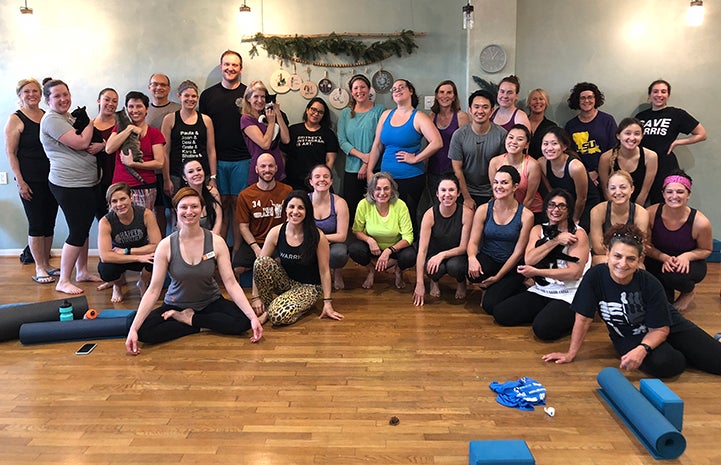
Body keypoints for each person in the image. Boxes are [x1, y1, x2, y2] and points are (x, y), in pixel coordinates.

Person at [543, 223, 721, 378]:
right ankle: (683, 353)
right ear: (608, 253)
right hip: (628, 335)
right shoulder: (594, 277)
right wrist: (570, 353)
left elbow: (660, 328)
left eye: (631, 259)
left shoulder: (649, 283)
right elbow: (583, 319)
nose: (622, 264)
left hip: (666, 325)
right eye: (617, 256)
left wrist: (643, 349)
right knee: (667, 364)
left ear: (639, 260)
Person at [125, 187, 263, 355]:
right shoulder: (166, 245)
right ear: (176, 210)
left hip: (210, 302)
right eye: (184, 207)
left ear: (202, 209)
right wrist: (133, 329)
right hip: (175, 303)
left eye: (194, 206)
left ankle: (189, 320)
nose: (189, 212)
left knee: (243, 322)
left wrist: (252, 318)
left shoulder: (216, 242)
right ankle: (195, 324)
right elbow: (153, 290)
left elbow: (231, 283)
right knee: (141, 330)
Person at [492, 189, 590, 340]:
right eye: (551, 205)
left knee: (542, 330)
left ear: (569, 210)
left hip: (568, 294)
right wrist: (555, 240)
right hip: (542, 290)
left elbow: (574, 273)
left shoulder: (578, 234)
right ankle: (549, 313)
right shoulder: (538, 229)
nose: (556, 210)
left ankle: (574, 316)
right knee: (501, 314)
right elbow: (530, 260)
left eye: (562, 206)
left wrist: (537, 273)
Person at [39, 79, 105, 294]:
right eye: (57, 96)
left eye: (65, 94)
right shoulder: (51, 120)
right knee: (77, 230)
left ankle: (82, 271)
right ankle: (64, 280)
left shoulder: (65, 117)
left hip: (85, 182)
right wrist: (90, 123)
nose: (63, 99)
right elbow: (82, 143)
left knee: (83, 229)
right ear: (48, 100)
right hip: (69, 184)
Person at [250, 191, 344, 325]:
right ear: (285, 209)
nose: (295, 211)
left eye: (301, 207)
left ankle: (270, 312)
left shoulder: (318, 236)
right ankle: (270, 306)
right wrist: (255, 297)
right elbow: (258, 267)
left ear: (307, 211)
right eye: (291, 207)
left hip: (309, 287)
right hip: (287, 282)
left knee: (277, 317)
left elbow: (324, 271)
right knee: (261, 262)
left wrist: (327, 302)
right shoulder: (276, 232)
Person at [366, 79, 442, 234]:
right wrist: (369, 171)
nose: (397, 90)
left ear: (410, 91)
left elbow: (437, 142)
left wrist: (415, 158)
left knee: (408, 217)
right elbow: (377, 145)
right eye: (394, 89)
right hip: (386, 178)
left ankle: (408, 253)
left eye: (401, 87)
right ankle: (389, 251)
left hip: (411, 178)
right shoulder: (386, 115)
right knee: (387, 217)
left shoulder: (419, 116)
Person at [4, 78, 58, 284]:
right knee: (36, 223)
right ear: (20, 95)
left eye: (35, 91)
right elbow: (10, 152)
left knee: (49, 223)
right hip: (30, 180)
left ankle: (47, 263)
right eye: (27, 91)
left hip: (52, 178)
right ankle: (39, 267)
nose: (32, 95)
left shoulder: (47, 116)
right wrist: (20, 181)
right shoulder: (15, 119)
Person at [199, 51, 251, 259]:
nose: (230, 68)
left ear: (241, 68)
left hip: (243, 159)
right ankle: (218, 254)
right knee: (220, 208)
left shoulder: (249, 94)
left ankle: (236, 253)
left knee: (238, 208)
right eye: (227, 64)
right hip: (216, 161)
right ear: (221, 66)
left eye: (235, 65)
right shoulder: (208, 95)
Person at [467, 166, 534, 315]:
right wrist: (472, 257)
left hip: (511, 265)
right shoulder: (484, 209)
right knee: (471, 271)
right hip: (489, 259)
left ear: (515, 186)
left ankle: (520, 285)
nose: (498, 186)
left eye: (504, 183)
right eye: (496, 182)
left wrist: (498, 278)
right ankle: (493, 286)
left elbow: (518, 253)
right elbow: (473, 242)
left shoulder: (526, 215)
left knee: (490, 306)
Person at [645, 171, 712, 311]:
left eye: (680, 192)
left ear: (688, 194)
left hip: (687, 263)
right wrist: (663, 257)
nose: (674, 196)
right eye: (669, 192)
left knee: (675, 276)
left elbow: (706, 249)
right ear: (663, 194)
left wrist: (686, 256)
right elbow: (645, 245)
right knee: (662, 303)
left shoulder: (700, 222)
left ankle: (688, 291)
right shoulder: (651, 213)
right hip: (658, 258)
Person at [635, 79, 707, 205]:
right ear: (649, 95)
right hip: (643, 166)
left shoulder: (676, 114)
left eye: (663, 91)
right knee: (640, 203)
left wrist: (678, 142)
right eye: (655, 91)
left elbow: (702, 134)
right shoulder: (641, 117)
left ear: (668, 95)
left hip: (665, 165)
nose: (659, 95)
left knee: (664, 204)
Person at [413, 176, 473, 306]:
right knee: (434, 267)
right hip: (433, 254)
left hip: (456, 255)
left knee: (455, 267)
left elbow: (463, 247)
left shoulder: (466, 213)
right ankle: (434, 281)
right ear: (437, 193)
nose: (447, 194)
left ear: (458, 193)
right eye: (443, 190)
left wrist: (443, 254)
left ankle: (460, 281)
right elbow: (422, 251)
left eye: (451, 190)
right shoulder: (429, 215)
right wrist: (419, 283)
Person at [349, 172, 416, 289]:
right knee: (354, 249)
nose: (382, 193)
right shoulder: (363, 204)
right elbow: (356, 230)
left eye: (386, 189)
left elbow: (408, 237)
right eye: (378, 189)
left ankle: (398, 270)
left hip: (395, 247)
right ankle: (371, 271)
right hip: (372, 248)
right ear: (372, 191)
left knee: (410, 256)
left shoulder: (400, 205)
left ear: (392, 190)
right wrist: (369, 240)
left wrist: (389, 251)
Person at [97, 182, 161, 303]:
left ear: (131, 197)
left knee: (158, 257)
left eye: (123, 199)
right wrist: (137, 258)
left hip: (138, 252)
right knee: (106, 270)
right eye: (114, 201)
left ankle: (143, 282)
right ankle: (117, 285)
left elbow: (157, 245)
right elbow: (105, 256)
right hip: (120, 257)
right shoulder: (105, 222)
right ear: (110, 204)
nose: (119, 204)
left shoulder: (146, 214)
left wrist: (128, 251)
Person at [232, 153, 292, 274]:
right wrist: (256, 249)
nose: (267, 170)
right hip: (255, 241)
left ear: (276, 168)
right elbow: (243, 227)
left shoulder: (287, 191)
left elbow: (289, 221)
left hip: (278, 241)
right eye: (263, 166)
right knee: (237, 268)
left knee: (281, 262)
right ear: (256, 169)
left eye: (270, 166)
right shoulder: (245, 195)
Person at [105, 91, 165, 211]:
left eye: (139, 106)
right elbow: (109, 148)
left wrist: (133, 164)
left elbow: (159, 163)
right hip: (119, 186)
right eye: (131, 107)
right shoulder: (119, 128)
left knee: (142, 224)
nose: (135, 110)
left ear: (146, 109)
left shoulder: (154, 133)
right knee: (118, 225)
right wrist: (129, 129)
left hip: (144, 186)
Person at [337, 74, 385, 221]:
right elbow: (342, 140)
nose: (359, 91)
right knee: (353, 209)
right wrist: (362, 156)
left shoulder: (379, 110)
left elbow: (381, 139)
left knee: (375, 207)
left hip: (374, 168)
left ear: (369, 89)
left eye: (363, 87)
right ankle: (356, 241)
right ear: (352, 92)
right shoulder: (345, 113)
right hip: (351, 169)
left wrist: (367, 164)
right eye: (356, 88)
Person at [450, 89, 508, 210]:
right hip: (466, 191)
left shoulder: (502, 134)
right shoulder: (459, 134)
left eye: (485, 107)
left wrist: (496, 195)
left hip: (493, 193)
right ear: (470, 110)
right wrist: (466, 197)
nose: (480, 111)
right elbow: (457, 168)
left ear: (492, 111)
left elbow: (504, 168)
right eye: (476, 107)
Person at [161, 80, 217, 199]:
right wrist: (166, 179)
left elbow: (211, 150)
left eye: (193, 96)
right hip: (176, 175)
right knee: (178, 210)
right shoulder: (170, 119)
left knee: (203, 206)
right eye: (186, 95)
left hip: (201, 174)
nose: (190, 99)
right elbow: (164, 151)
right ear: (179, 96)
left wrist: (213, 177)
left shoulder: (206, 120)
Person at [539, 126, 600, 231]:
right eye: (545, 144)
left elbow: (582, 198)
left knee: (575, 232)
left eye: (554, 143)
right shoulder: (541, 163)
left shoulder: (576, 167)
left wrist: (574, 220)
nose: (549, 148)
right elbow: (551, 192)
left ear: (564, 146)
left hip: (584, 205)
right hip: (563, 205)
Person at [564, 82, 617, 194]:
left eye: (590, 97)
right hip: (579, 175)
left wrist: (597, 172)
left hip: (606, 175)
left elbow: (614, 147)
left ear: (596, 99)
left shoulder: (607, 120)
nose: (586, 101)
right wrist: (585, 173)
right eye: (582, 98)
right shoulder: (570, 125)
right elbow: (570, 152)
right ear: (577, 101)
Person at [146, 73, 181, 237]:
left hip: (174, 169)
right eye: (155, 84)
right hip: (150, 171)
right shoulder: (142, 110)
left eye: (163, 85)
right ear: (149, 87)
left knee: (176, 208)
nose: (158, 88)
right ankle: (159, 248)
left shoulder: (178, 110)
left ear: (169, 88)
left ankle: (177, 245)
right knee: (157, 210)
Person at [589, 170, 649, 266]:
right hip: (604, 256)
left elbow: (640, 247)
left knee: (640, 266)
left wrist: (623, 259)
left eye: (623, 187)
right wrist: (618, 259)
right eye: (613, 188)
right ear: (608, 190)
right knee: (599, 261)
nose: (618, 192)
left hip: (630, 256)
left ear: (632, 189)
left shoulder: (641, 213)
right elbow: (598, 248)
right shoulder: (597, 211)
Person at [488, 124, 544, 223]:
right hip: (503, 209)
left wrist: (515, 219)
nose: (513, 142)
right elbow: (496, 192)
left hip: (529, 210)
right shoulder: (495, 162)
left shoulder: (533, 165)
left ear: (526, 145)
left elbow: (529, 198)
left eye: (520, 139)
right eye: (510, 137)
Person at [598, 118, 658, 207]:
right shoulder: (606, 158)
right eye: (627, 133)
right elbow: (606, 189)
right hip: (613, 204)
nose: (632, 138)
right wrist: (617, 209)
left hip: (640, 204)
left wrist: (633, 212)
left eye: (637, 134)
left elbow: (644, 191)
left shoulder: (651, 157)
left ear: (642, 136)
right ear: (618, 136)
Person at [308, 164, 349, 290]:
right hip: (309, 242)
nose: (322, 180)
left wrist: (320, 238)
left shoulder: (339, 203)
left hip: (333, 243)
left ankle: (337, 272)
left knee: (339, 254)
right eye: (317, 176)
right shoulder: (304, 201)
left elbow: (342, 236)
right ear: (311, 182)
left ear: (331, 181)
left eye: (326, 177)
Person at [283, 98, 339, 191]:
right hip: (294, 183)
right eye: (313, 109)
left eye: (320, 112)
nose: (316, 114)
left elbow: (330, 161)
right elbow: (283, 155)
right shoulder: (293, 130)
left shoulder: (328, 134)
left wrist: (324, 180)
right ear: (307, 110)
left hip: (318, 182)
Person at [241, 80, 290, 185]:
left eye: (263, 97)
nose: (260, 100)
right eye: (256, 97)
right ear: (248, 99)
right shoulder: (246, 119)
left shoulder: (268, 115)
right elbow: (265, 144)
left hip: (276, 165)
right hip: (260, 168)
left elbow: (286, 139)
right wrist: (271, 123)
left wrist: (278, 114)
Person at [427, 80, 470, 191]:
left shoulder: (461, 117)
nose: (445, 96)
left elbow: (467, 147)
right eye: (441, 92)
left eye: (449, 92)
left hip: (455, 172)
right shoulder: (431, 117)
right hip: (434, 170)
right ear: (436, 96)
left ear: (454, 96)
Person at [93, 88, 119, 205]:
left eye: (114, 101)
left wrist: (104, 146)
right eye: (107, 100)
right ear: (99, 101)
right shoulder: (89, 125)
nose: (110, 104)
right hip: (94, 180)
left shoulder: (121, 126)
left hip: (116, 178)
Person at [182, 159, 222, 235]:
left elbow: (218, 220)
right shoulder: (182, 197)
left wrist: (212, 239)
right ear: (184, 177)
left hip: (213, 236)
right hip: (190, 239)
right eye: (191, 172)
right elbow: (182, 226)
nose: (196, 173)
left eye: (199, 170)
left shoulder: (213, 192)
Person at [526, 88, 557, 160]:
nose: (538, 102)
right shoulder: (522, 122)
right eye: (534, 99)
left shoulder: (552, 127)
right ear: (529, 103)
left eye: (541, 99)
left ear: (546, 103)